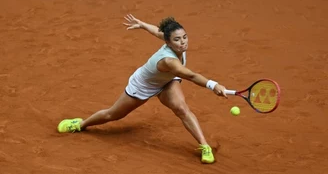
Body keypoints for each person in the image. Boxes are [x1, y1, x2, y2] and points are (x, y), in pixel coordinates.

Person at [57, 14, 228, 164]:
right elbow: (190, 75)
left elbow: (156, 31)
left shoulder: (172, 42)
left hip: (166, 81)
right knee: (113, 115)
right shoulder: (169, 61)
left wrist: (143, 25)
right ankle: (81, 124)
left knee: (182, 108)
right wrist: (213, 85)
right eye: (177, 40)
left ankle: (204, 146)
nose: (182, 42)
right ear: (168, 42)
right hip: (143, 86)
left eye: (184, 37)